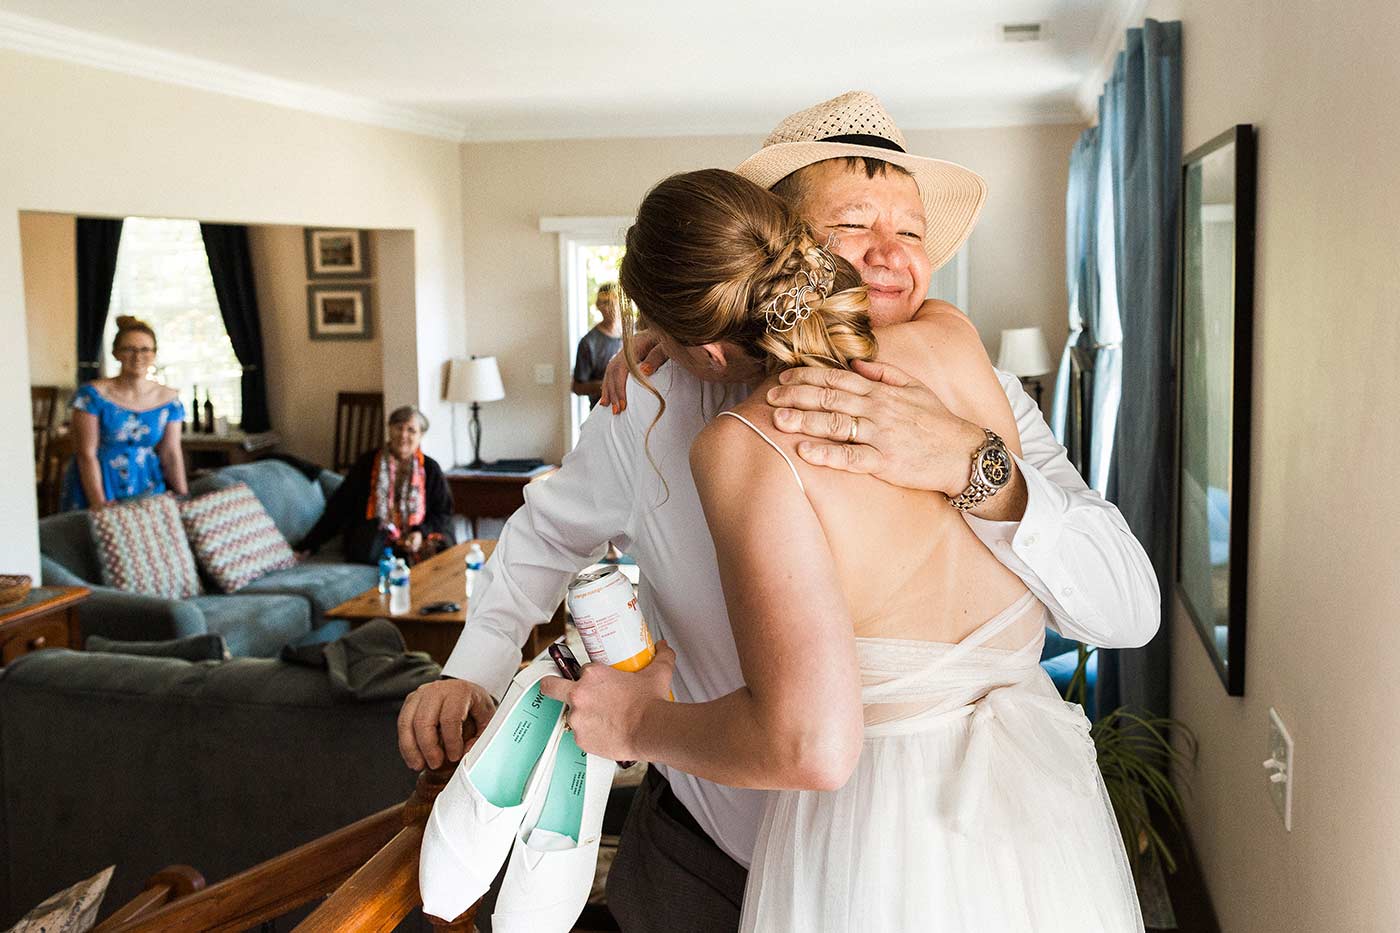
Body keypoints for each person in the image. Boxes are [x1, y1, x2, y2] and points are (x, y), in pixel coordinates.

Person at [398, 92, 1158, 932]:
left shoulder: (983, 383)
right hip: (707, 848)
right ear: (778, 243)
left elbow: (1128, 607)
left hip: (968, 844)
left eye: (911, 231)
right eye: (854, 225)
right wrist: (471, 664)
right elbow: (545, 531)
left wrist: (979, 468)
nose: (891, 254)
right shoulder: (659, 397)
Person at [296, 405, 456, 564]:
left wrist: (421, 532)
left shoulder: (430, 468)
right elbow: (340, 506)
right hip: (380, 538)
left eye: (411, 430)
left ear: (421, 435)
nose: (403, 435)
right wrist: (308, 545)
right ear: (389, 429)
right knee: (368, 542)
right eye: (398, 428)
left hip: (416, 535)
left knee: (442, 548)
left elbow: (443, 512)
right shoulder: (367, 463)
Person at [62, 315, 188, 511]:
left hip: (146, 485)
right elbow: (86, 453)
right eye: (129, 349)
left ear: (154, 354)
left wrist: (183, 498)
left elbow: (171, 452)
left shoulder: (170, 400)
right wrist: (99, 503)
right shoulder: (91, 396)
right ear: (115, 353)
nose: (137, 356)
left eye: (145, 349)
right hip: (97, 484)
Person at [571, 282, 624, 408]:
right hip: (602, 413)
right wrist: (608, 384)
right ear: (598, 306)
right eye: (606, 302)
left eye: (615, 301)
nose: (612, 307)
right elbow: (577, 387)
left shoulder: (633, 335)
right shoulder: (589, 343)